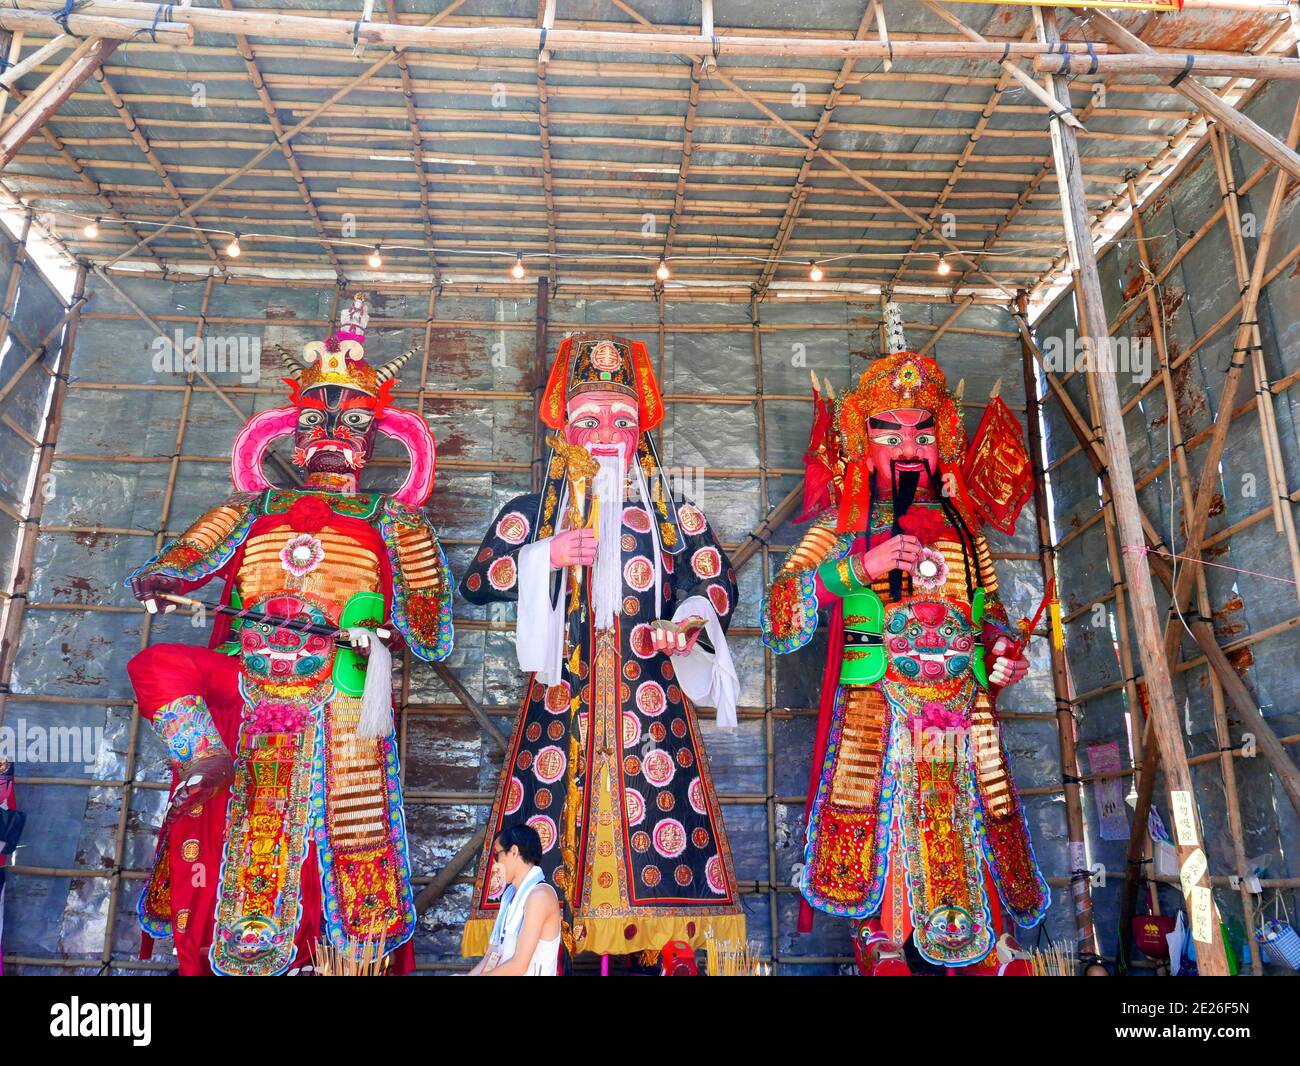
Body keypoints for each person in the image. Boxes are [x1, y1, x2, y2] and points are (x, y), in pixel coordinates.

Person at [124, 295, 454, 975]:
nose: (330, 435)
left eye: (353, 422)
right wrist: (161, 577)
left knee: (345, 825)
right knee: (157, 664)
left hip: (335, 689)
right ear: (290, 433)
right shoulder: (251, 505)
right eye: (314, 420)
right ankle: (204, 759)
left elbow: (428, 617)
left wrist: (387, 637)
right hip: (246, 678)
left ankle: (327, 955)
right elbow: (191, 553)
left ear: (376, 438)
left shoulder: (395, 518)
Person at [762, 307, 1048, 974]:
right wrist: (856, 567)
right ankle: (882, 935)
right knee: (886, 810)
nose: (909, 447)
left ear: (940, 440)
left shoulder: (962, 529)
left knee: (972, 809)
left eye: (922, 434)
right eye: (890, 435)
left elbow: (992, 617)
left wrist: (1004, 654)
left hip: (962, 705)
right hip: (880, 706)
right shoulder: (844, 523)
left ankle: (988, 940)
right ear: (865, 442)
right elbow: (779, 615)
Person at [459, 333, 746, 961]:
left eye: (623, 419)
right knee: (550, 839)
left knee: (659, 838)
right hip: (560, 712)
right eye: (588, 420)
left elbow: (718, 586)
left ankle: (657, 954)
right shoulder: (534, 513)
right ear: (564, 431)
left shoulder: (677, 519)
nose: (607, 432)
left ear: (642, 432)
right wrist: (546, 556)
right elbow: (478, 582)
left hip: (653, 711)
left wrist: (688, 624)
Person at [469, 824, 561, 976]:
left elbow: (518, 966)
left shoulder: (540, 896)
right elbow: (493, 956)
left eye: (496, 855)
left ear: (514, 851)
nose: (494, 863)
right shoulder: (509, 896)